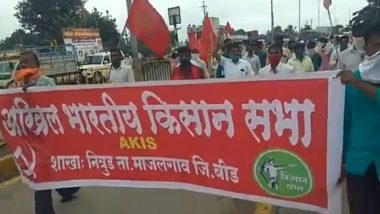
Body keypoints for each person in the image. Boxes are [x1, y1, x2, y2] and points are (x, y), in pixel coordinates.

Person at [14, 51, 80, 214]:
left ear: (37, 66)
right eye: (21, 63)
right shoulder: (17, 86)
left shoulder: (48, 83)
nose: (24, 66)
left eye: (27, 62)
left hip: (47, 139)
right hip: (31, 140)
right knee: (46, 174)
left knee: (41, 179)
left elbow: (54, 108)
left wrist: (34, 92)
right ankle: (68, 190)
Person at [338, 1, 380, 213]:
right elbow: (345, 124)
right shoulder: (352, 79)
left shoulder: (353, 81)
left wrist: (356, 84)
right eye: (377, 45)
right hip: (358, 164)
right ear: (367, 46)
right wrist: (340, 160)